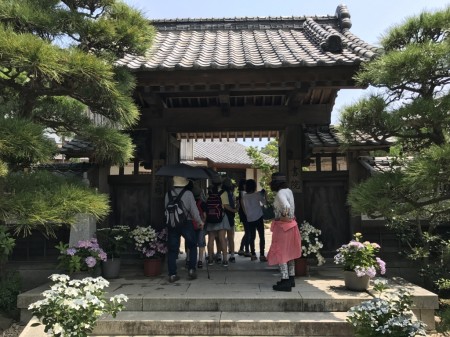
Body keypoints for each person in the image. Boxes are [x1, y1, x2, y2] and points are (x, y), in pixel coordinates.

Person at [165, 176, 204, 283]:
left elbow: (166, 209)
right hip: (186, 222)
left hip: (172, 223)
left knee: (172, 249)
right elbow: (194, 210)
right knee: (192, 245)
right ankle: (191, 270)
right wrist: (200, 221)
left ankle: (172, 274)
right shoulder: (188, 194)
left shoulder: (168, 194)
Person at [267, 172, 302, 292]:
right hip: (292, 225)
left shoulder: (280, 193)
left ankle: (285, 280)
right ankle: (290, 279)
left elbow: (286, 206)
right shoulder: (288, 191)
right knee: (290, 254)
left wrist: (283, 217)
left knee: (281, 253)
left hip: (283, 227)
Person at [205, 176, 231, 267]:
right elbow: (226, 206)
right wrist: (235, 210)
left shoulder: (209, 193)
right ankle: (225, 260)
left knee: (211, 239)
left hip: (211, 218)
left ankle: (210, 259)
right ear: (220, 183)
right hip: (221, 217)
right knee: (222, 238)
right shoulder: (223, 193)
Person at [241, 179, 267, 261]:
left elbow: (243, 207)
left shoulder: (244, 196)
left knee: (252, 237)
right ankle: (262, 255)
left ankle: (253, 254)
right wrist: (265, 195)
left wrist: (247, 215)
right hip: (259, 217)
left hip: (250, 218)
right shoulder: (258, 195)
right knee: (261, 237)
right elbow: (264, 203)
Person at [221, 177, 238, 263]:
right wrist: (234, 210)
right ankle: (232, 255)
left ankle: (221, 255)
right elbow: (227, 205)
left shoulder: (222, 193)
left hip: (223, 217)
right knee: (230, 237)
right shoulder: (230, 194)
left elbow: (224, 205)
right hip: (230, 216)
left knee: (222, 237)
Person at [236, 179, 250, 257]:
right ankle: (246, 250)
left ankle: (241, 249)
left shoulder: (243, 193)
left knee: (247, 232)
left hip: (245, 214)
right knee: (248, 233)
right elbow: (243, 204)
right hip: (245, 215)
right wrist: (246, 214)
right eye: (245, 184)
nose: (246, 186)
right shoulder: (243, 193)